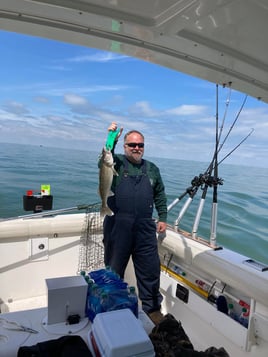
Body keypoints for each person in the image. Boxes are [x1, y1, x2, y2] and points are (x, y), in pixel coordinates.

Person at [102, 122, 167, 324]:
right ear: (124, 146)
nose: (136, 148)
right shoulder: (117, 164)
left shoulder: (152, 169)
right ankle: (111, 307)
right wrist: (111, 137)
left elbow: (160, 194)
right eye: (132, 145)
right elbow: (104, 158)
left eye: (140, 145)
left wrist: (163, 217)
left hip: (145, 228)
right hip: (117, 226)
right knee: (113, 270)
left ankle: (152, 309)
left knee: (150, 270)